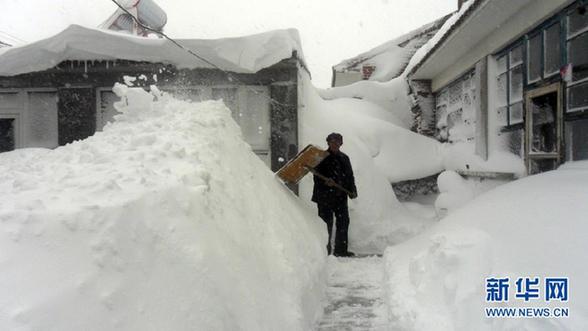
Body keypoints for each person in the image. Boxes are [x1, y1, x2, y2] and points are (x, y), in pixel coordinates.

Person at [311, 132, 357, 257]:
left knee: (343, 222)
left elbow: (349, 176)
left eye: (337, 142)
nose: (335, 144)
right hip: (324, 197)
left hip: (340, 196)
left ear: (341, 144)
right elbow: (316, 176)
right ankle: (325, 251)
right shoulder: (321, 157)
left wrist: (352, 190)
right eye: (332, 142)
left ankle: (341, 250)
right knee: (326, 224)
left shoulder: (344, 158)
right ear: (328, 143)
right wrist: (326, 182)